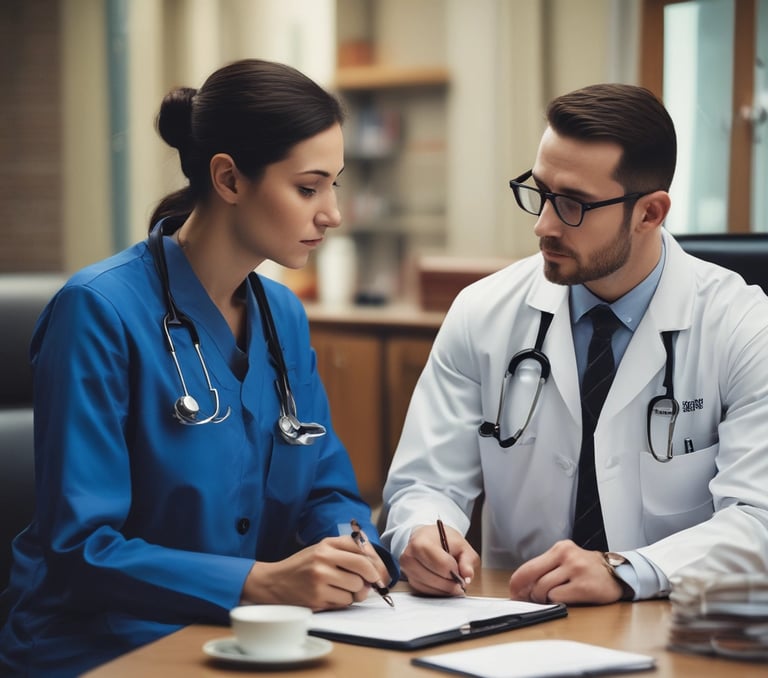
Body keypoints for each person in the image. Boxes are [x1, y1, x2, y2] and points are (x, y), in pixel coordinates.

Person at [0, 58, 396, 676]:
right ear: (229, 179)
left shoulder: (283, 318)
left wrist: (354, 549)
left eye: (336, 185)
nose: (333, 214)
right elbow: (82, 549)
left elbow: (329, 490)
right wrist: (258, 582)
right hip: (98, 646)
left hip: (244, 639)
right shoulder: (97, 312)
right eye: (308, 187)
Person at [381, 83, 768, 606]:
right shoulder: (482, 312)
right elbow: (424, 483)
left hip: (672, 627)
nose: (543, 224)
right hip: (515, 622)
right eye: (539, 192)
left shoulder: (745, 327)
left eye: (573, 205)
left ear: (650, 213)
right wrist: (423, 534)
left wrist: (627, 570)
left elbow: (757, 520)